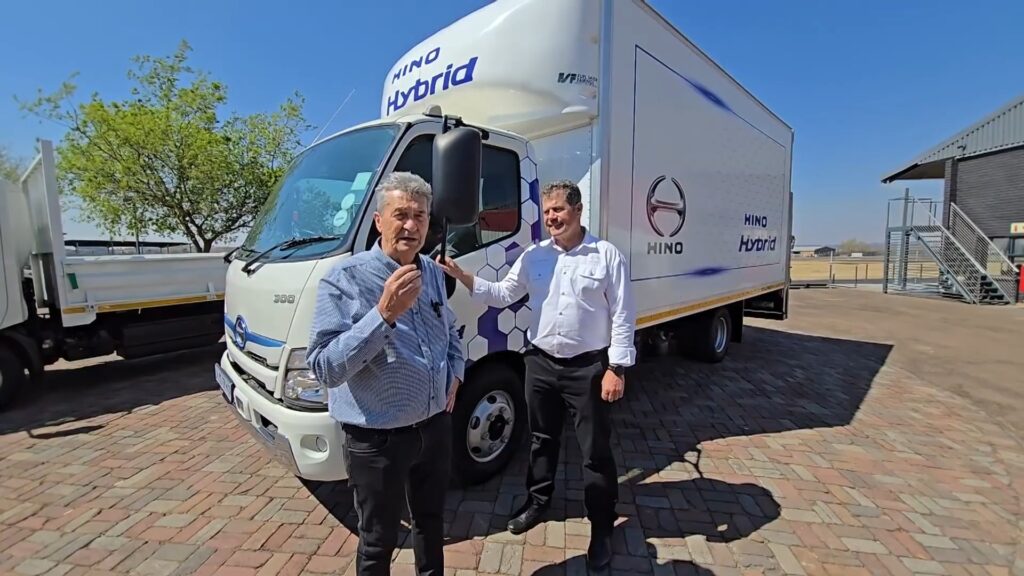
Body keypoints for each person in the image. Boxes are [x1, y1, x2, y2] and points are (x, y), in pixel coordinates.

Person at [438, 179, 635, 571]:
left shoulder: (606, 255)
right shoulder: (534, 256)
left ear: (578, 211)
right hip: (540, 364)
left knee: (595, 452)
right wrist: (463, 277)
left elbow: (623, 315)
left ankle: (601, 527)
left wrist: (616, 368)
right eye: (546, 212)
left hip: (588, 369)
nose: (551, 218)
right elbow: (502, 293)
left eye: (558, 210)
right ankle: (537, 501)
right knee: (542, 440)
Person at [307, 172, 465, 576]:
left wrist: (456, 375)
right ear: (379, 220)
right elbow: (325, 367)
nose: (411, 225)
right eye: (401, 214)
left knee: (431, 525)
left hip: (434, 428)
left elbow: (452, 331)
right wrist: (384, 315)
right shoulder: (344, 278)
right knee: (378, 542)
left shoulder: (430, 271)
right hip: (378, 441)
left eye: (421, 216)